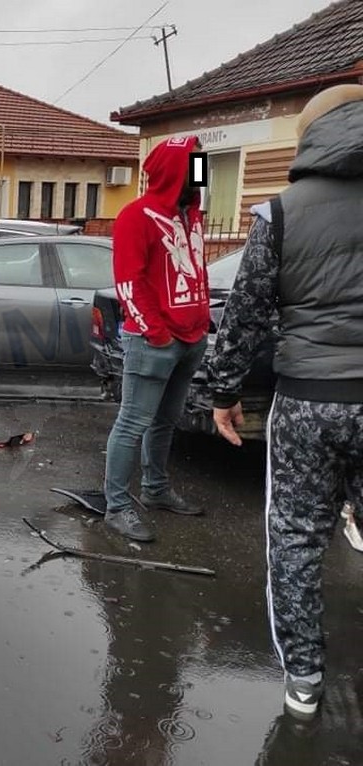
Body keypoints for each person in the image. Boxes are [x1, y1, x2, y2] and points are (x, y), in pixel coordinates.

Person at [209, 83, 363, 719]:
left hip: (306, 401)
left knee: (296, 540)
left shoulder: (280, 212)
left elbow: (245, 313)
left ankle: (303, 679)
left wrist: (225, 391)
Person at [102, 135, 211, 543]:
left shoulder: (192, 216)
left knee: (166, 422)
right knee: (132, 424)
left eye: (202, 167)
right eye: (194, 168)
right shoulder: (135, 216)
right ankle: (117, 507)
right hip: (154, 342)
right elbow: (128, 281)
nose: (200, 175)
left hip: (190, 340)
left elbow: (195, 271)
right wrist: (158, 333)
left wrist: (199, 326)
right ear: (174, 173)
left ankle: (156, 491)